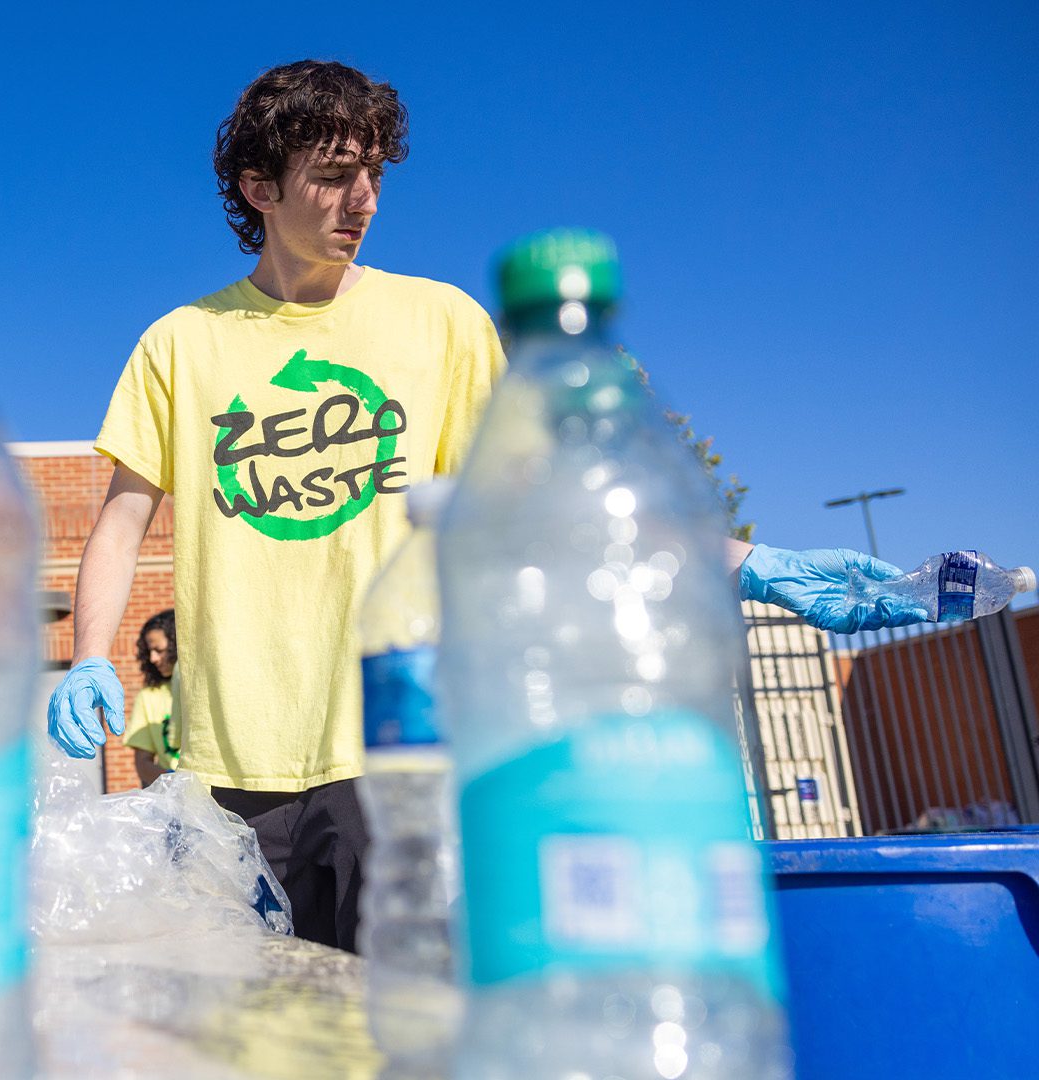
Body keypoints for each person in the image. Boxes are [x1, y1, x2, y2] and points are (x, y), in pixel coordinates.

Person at [45, 59, 927, 953]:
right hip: (232, 761)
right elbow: (121, 520)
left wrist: (744, 562)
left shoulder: (444, 324)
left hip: (405, 745)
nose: (366, 201)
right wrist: (86, 657)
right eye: (335, 175)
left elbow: (536, 504)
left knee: (410, 1021)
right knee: (266, 1030)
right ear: (259, 187)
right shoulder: (180, 344)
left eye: (375, 173)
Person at [123, 609, 179, 787]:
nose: (153, 658)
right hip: (178, 797)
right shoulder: (148, 697)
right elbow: (143, 765)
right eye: (149, 651)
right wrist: (176, 781)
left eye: (159, 650)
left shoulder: (203, 686)